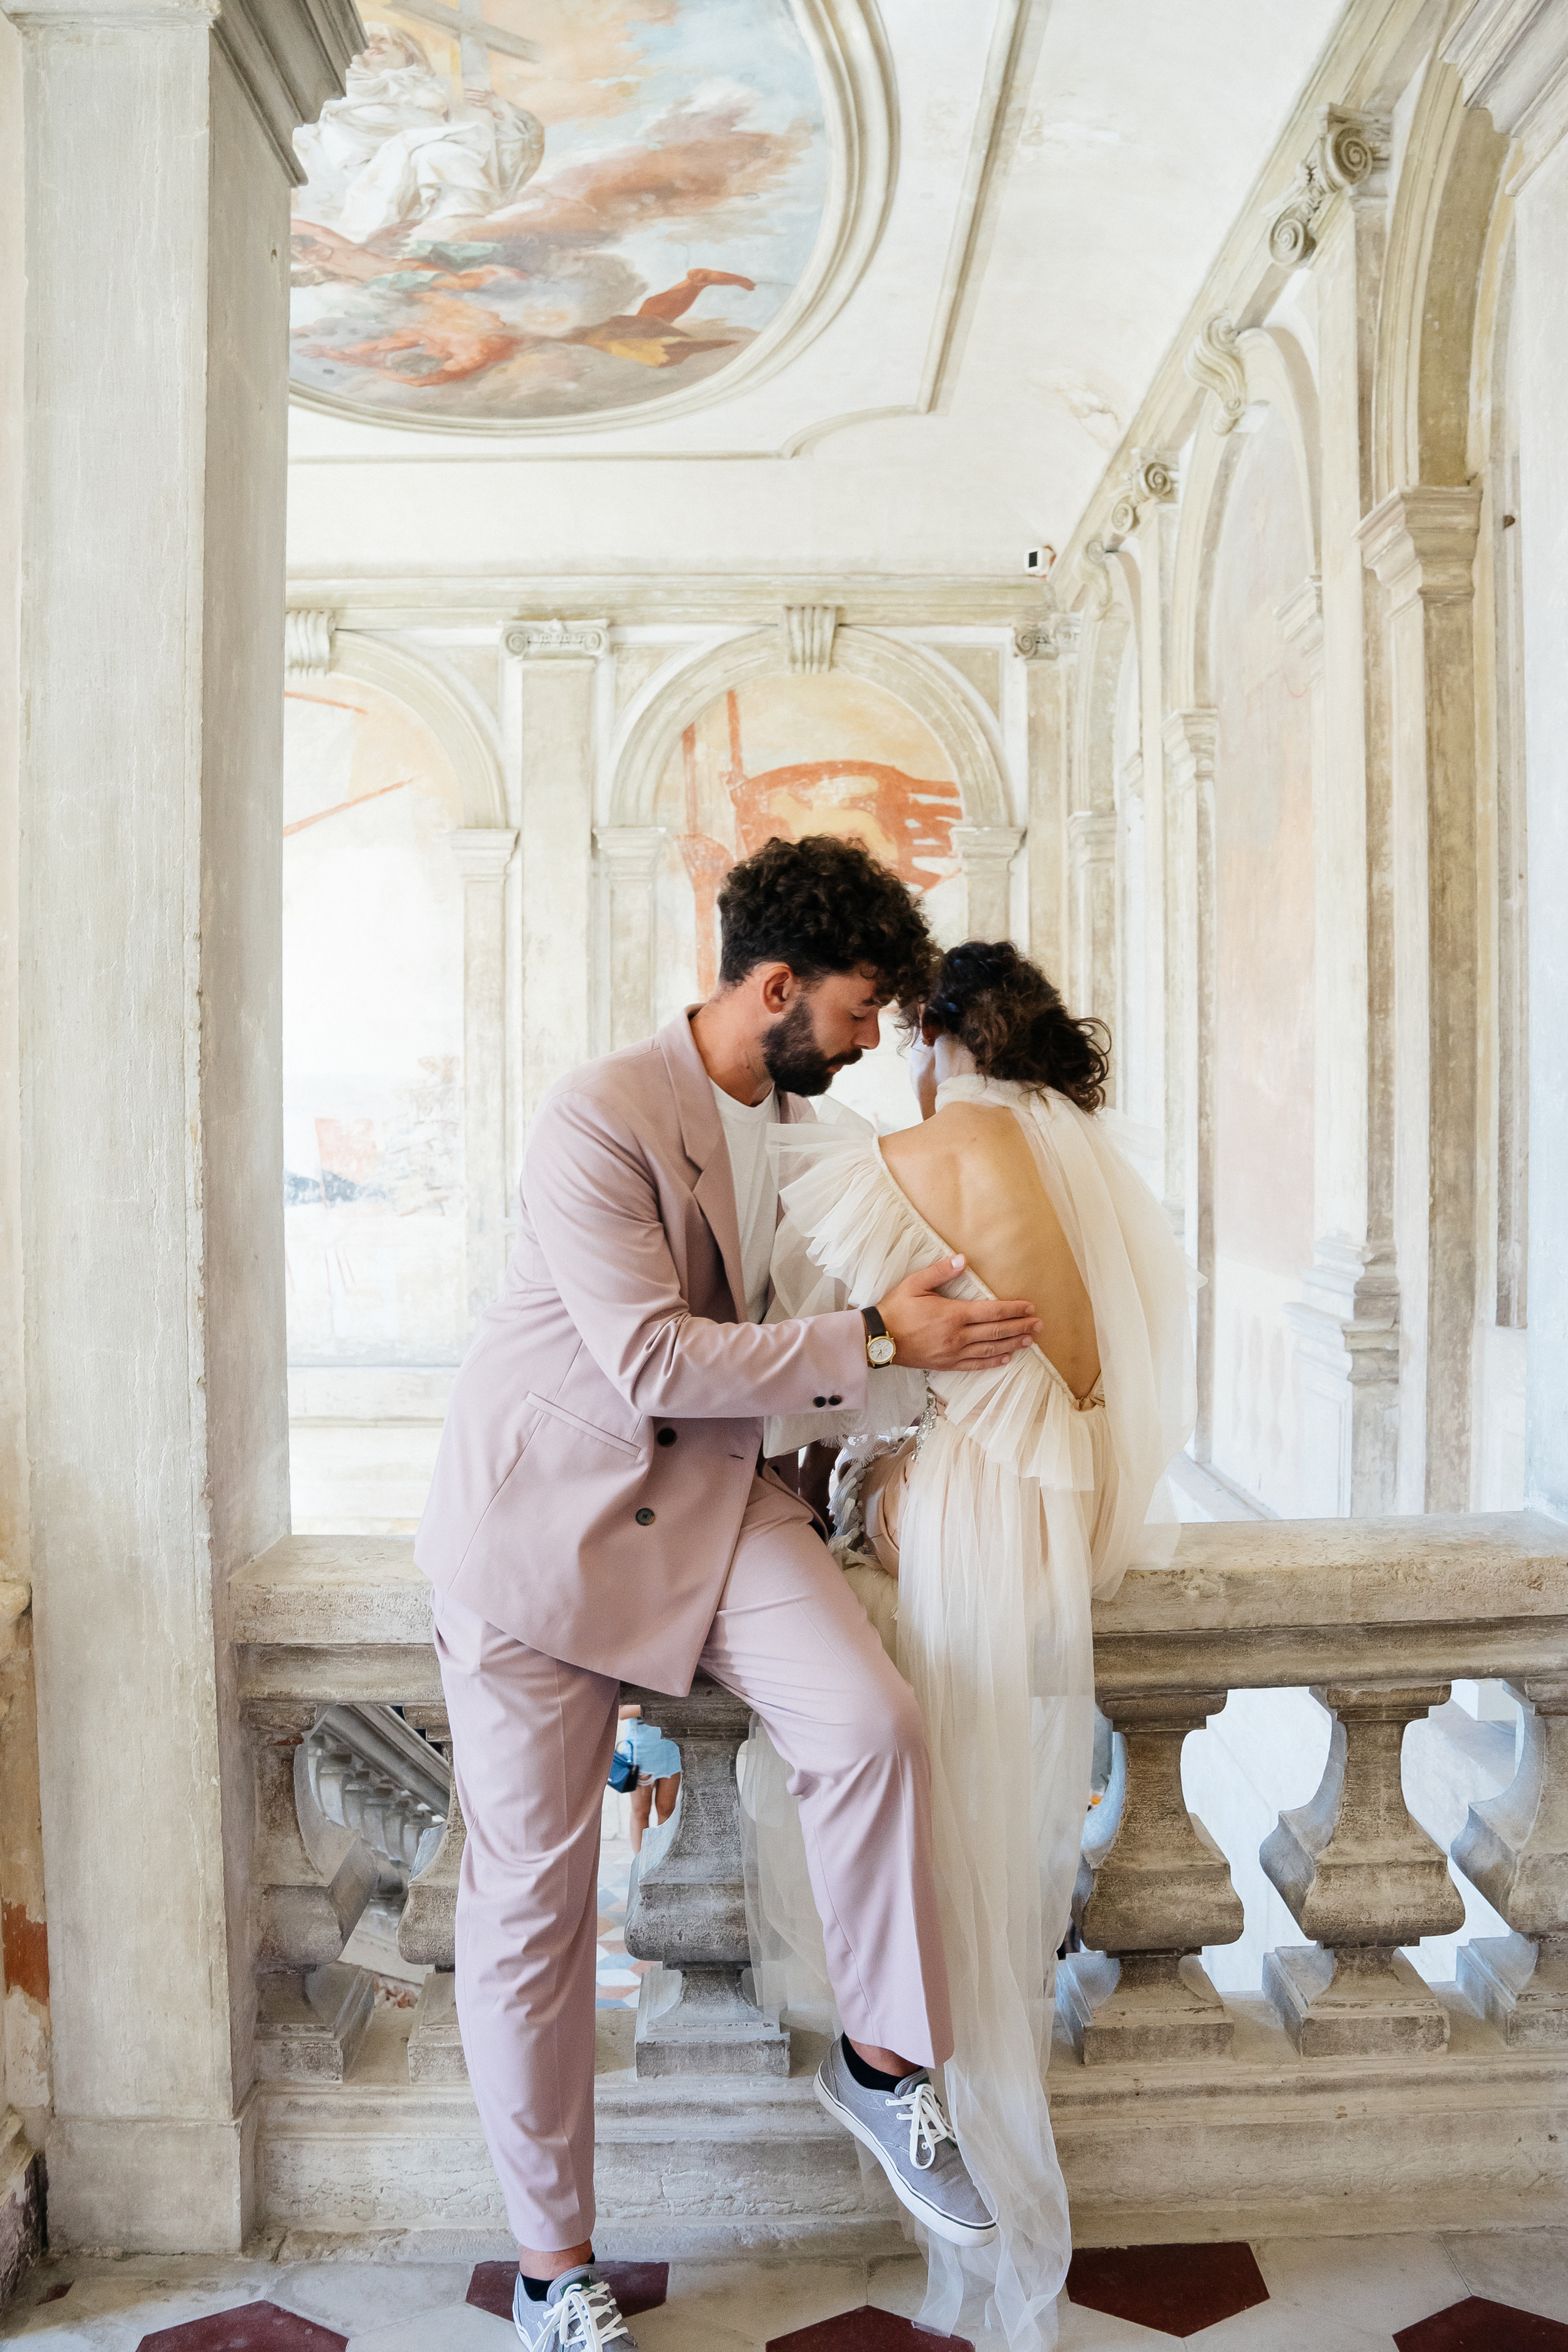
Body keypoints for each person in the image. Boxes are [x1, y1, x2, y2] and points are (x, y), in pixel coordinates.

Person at [413, 838, 1046, 2352]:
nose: (873, 1033)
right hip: (542, 1534)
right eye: (858, 1005)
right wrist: (879, 1345)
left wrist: (871, 1451)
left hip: (716, 1495)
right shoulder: (598, 1114)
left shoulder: (807, 1122)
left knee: (870, 1723)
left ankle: (887, 2071)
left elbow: (781, 1355)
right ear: (775, 984)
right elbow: (650, 1358)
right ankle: (554, 2266)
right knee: (534, 1912)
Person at [744, 939, 1196, 2352]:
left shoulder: (935, 1144)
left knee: (918, 1813)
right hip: (1044, 1531)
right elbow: (1072, 1379)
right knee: (988, 1837)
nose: (891, 1054)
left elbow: (836, 1339)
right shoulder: (1077, 1162)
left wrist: (863, 1490)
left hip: (967, 1521)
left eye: (902, 1028)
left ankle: (910, 2094)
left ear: (945, 1033)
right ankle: (947, 2115)